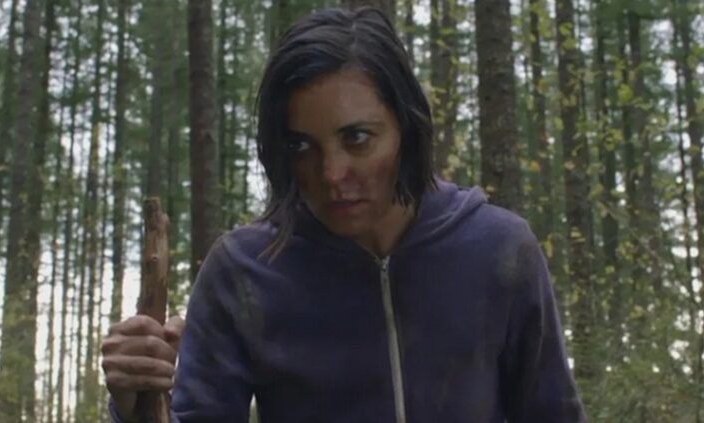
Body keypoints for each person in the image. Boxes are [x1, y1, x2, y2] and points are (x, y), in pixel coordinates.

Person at [101, 6, 586, 422]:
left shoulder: (499, 251)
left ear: (406, 127)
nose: (331, 173)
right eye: (301, 146)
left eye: (357, 138)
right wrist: (136, 402)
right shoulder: (244, 272)